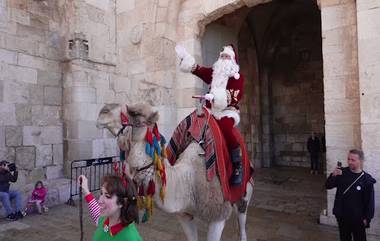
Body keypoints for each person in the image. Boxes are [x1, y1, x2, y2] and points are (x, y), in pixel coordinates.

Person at [176, 44, 244, 186]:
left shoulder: (237, 77)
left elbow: (235, 96)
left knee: (225, 128)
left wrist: (216, 97)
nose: (224, 59)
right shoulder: (215, 72)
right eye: (222, 56)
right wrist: (186, 59)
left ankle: (237, 166)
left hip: (227, 111)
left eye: (227, 57)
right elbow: (199, 70)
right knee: (191, 123)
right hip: (210, 111)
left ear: (232, 60)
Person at [325, 149, 376, 241]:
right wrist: (333, 175)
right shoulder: (342, 172)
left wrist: (367, 218)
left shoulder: (366, 180)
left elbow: (369, 201)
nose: (349, 162)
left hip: (358, 219)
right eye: (348, 159)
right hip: (343, 216)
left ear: (360, 161)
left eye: (353, 160)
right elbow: (328, 186)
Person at [78, 174, 142, 241]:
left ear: (121, 202)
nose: (99, 200)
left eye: (107, 196)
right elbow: (97, 215)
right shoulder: (105, 220)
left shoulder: (129, 238)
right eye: (101, 193)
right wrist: (85, 190)